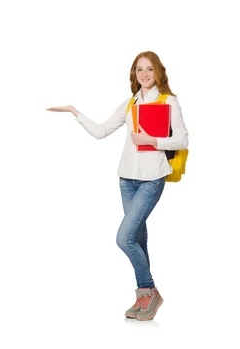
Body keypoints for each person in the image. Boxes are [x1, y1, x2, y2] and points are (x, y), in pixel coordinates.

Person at [46, 51, 188, 321]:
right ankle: (144, 297)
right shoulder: (130, 103)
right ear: (134, 75)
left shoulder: (169, 101)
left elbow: (182, 140)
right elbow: (101, 131)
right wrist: (74, 112)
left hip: (151, 179)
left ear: (158, 72)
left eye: (149, 69)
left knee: (124, 238)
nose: (144, 74)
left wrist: (153, 139)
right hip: (126, 180)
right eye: (138, 70)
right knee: (137, 239)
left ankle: (150, 291)